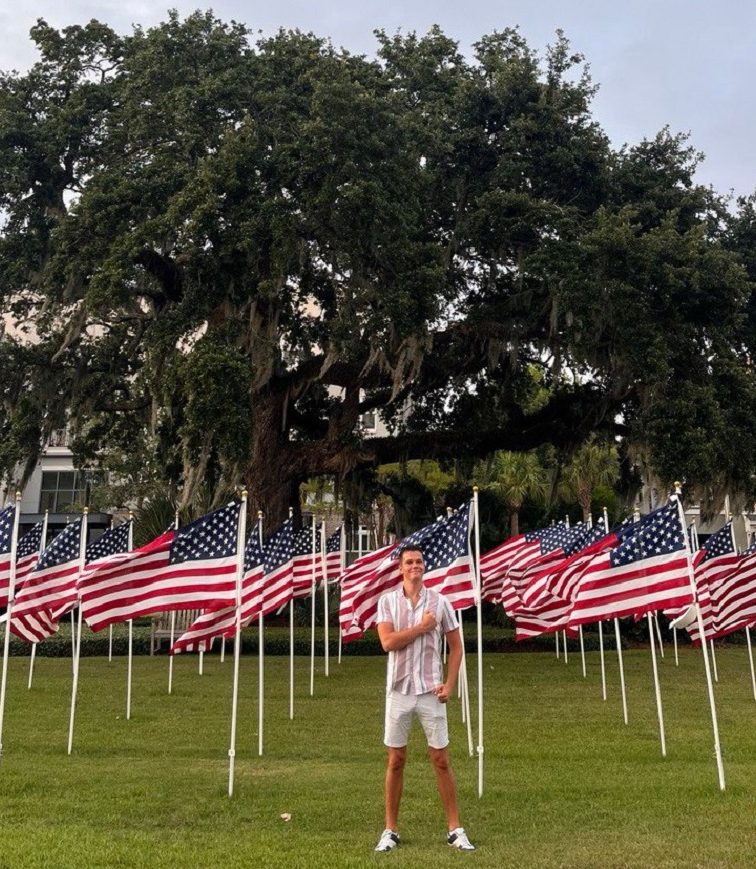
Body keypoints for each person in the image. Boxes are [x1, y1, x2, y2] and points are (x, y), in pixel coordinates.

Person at [373, 544, 475, 852]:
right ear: (401, 568)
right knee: (396, 760)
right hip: (399, 691)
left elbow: (457, 647)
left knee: (441, 759)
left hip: (431, 691)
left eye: (419, 561)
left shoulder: (441, 602)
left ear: (424, 566)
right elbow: (388, 642)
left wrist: (450, 683)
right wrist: (421, 628)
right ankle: (390, 830)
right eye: (409, 562)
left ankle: (455, 828)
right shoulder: (388, 602)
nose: (415, 566)